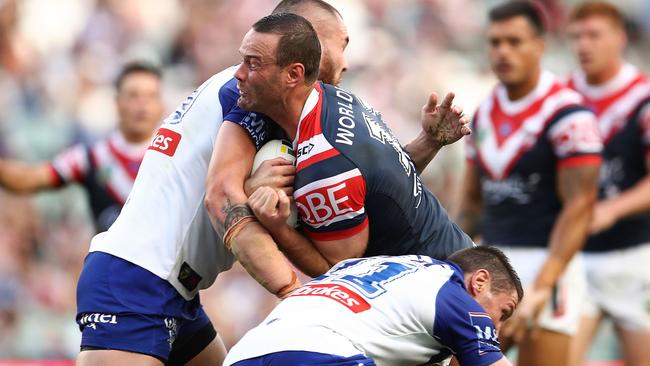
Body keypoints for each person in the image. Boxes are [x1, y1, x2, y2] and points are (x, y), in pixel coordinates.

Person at [75, 2, 468, 365]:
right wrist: (295, 296)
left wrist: (426, 144)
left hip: (177, 292)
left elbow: (359, 183)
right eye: (340, 44)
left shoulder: (294, 106)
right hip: (134, 281)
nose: (345, 63)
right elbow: (221, 197)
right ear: (304, 42)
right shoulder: (249, 93)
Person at [226, 11, 474, 290]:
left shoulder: (323, 167)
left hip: (443, 293)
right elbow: (381, 185)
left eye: (253, 64)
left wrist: (277, 227)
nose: (238, 73)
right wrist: (428, 143)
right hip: (462, 266)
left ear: (294, 74)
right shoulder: (336, 98)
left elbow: (340, 272)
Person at [456, 2, 602, 365]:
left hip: (547, 266)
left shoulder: (570, 113)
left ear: (539, 45)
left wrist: (541, 287)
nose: (503, 52)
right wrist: (450, 265)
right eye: (495, 42)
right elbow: (471, 204)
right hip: (492, 264)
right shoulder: (484, 111)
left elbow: (580, 205)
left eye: (514, 42)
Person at [223, 246, 521, 366]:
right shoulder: (453, 296)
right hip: (320, 353)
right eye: (503, 312)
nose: (498, 327)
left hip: (245, 354)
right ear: (479, 281)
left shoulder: (374, 266)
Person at [565, 3, 650, 366]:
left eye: (594, 35)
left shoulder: (643, 100)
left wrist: (611, 209)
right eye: (577, 37)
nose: (584, 45)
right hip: (576, 257)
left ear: (619, 38)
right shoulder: (563, 98)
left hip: (633, 257)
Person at [0, 61, 164, 232]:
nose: (142, 105)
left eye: (151, 96)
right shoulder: (91, 156)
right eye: (133, 95)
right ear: (117, 102)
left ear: (161, 105)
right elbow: (29, 179)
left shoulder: (173, 157)